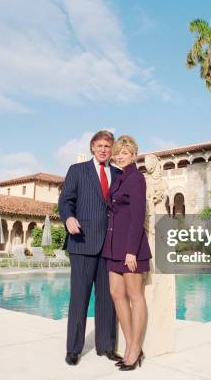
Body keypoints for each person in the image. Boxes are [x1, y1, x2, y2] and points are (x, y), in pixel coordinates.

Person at [58, 130, 123, 366]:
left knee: (108, 298)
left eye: (108, 145)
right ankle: (74, 349)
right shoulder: (78, 171)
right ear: (92, 147)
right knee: (79, 298)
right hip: (82, 241)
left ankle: (106, 346)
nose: (104, 149)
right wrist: (68, 219)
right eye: (100, 145)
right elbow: (65, 201)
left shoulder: (118, 174)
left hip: (110, 246)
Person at [101, 135, 151, 371]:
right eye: (117, 153)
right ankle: (132, 345)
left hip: (132, 248)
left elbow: (137, 216)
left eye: (125, 153)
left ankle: (134, 350)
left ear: (134, 155)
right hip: (113, 246)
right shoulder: (119, 178)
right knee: (116, 293)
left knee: (135, 296)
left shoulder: (136, 178)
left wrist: (131, 250)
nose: (120, 156)